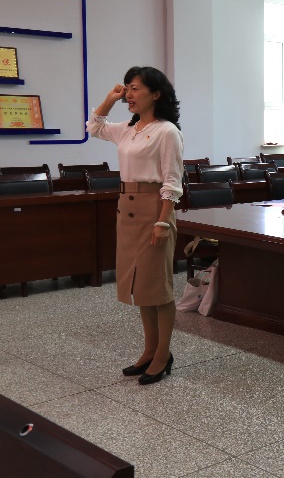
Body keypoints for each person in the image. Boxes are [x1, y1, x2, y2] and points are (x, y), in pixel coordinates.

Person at [87, 66, 183, 385]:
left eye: (135, 88)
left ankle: (163, 354)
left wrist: (163, 221)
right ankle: (149, 351)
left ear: (156, 94)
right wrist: (110, 98)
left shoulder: (166, 131)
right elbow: (94, 127)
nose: (129, 94)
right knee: (140, 286)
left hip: (154, 208)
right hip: (126, 207)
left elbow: (172, 180)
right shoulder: (128, 129)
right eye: (127, 87)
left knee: (157, 285)